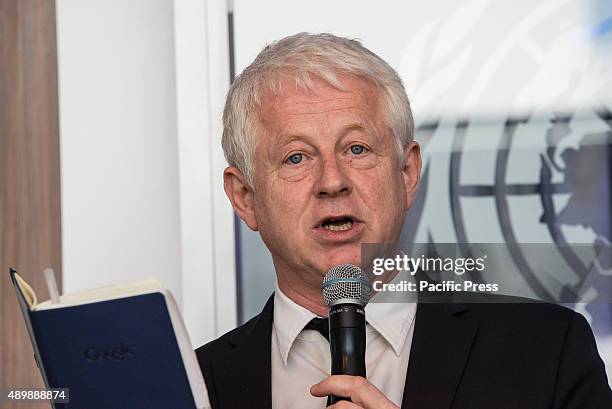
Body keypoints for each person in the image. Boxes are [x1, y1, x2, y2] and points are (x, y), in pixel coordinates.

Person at [195, 32, 612, 408]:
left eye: (356, 149)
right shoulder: (193, 385)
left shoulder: (545, 351)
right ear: (245, 197)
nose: (333, 181)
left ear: (408, 173)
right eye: (296, 157)